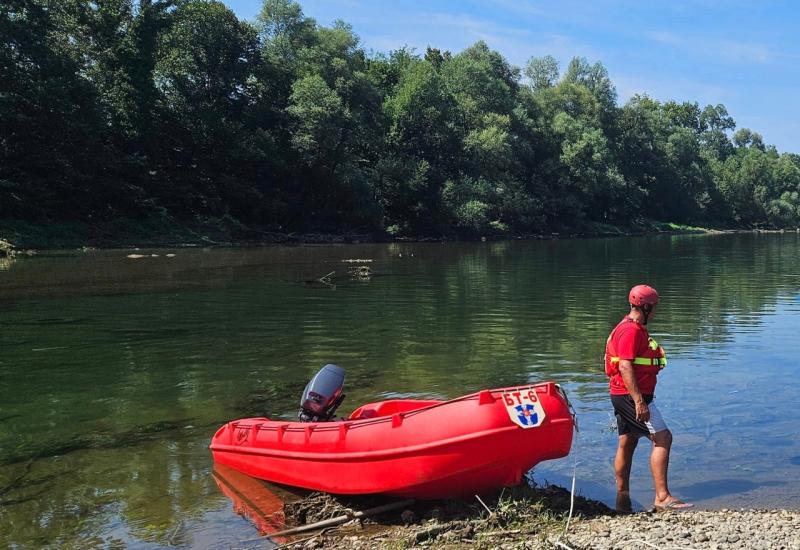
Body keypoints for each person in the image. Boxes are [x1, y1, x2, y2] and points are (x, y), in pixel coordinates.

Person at [604, 284, 693, 512]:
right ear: (645, 306)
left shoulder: (627, 327)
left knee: (628, 440)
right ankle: (662, 497)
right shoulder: (631, 331)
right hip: (631, 396)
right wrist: (639, 402)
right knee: (663, 438)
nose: (655, 312)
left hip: (621, 394)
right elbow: (625, 366)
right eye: (653, 308)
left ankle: (622, 497)